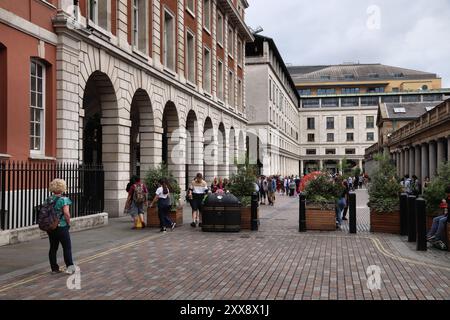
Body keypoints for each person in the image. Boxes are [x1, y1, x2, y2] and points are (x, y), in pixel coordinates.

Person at [47, 179, 76, 274]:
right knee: (67, 247)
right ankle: (70, 268)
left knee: (53, 247)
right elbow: (66, 213)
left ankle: (54, 268)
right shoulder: (64, 200)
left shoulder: (49, 199)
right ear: (62, 188)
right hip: (62, 226)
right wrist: (68, 223)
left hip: (51, 227)